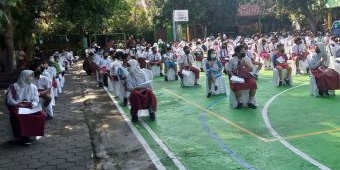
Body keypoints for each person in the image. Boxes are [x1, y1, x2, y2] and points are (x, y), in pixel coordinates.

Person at [5, 70, 46, 146]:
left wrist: (34, 104)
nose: (32, 78)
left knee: (42, 115)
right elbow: (10, 99)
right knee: (19, 116)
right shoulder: (13, 87)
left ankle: (32, 133)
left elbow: (35, 98)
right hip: (17, 106)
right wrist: (17, 104)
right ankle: (23, 137)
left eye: (32, 76)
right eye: (30, 76)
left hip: (29, 106)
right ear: (24, 76)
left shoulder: (33, 87)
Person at [226, 45, 257, 109]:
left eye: (244, 51)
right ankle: (240, 103)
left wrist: (246, 64)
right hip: (236, 76)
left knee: (253, 84)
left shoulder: (247, 58)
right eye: (242, 51)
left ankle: (250, 102)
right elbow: (229, 70)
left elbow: (251, 69)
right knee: (237, 84)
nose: (244, 52)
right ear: (237, 53)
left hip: (247, 75)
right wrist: (233, 76)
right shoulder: (232, 60)